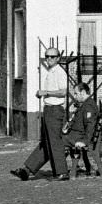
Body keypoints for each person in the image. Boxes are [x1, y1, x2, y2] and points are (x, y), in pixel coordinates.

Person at [11, 47, 69, 181]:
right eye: (47, 56)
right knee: (46, 142)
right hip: (49, 109)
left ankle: (62, 172)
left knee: (54, 142)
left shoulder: (60, 72)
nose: (49, 59)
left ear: (58, 58)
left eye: (53, 57)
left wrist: (46, 93)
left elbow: (63, 92)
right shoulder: (51, 72)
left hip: (55, 109)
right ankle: (27, 169)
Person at [62, 82, 102, 178]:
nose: (75, 96)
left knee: (54, 142)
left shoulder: (88, 106)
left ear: (83, 92)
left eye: (76, 93)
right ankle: (60, 169)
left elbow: (90, 126)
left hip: (78, 137)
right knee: (53, 141)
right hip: (75, 135)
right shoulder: (85, 104)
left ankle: (60, 170)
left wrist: (84, 141)